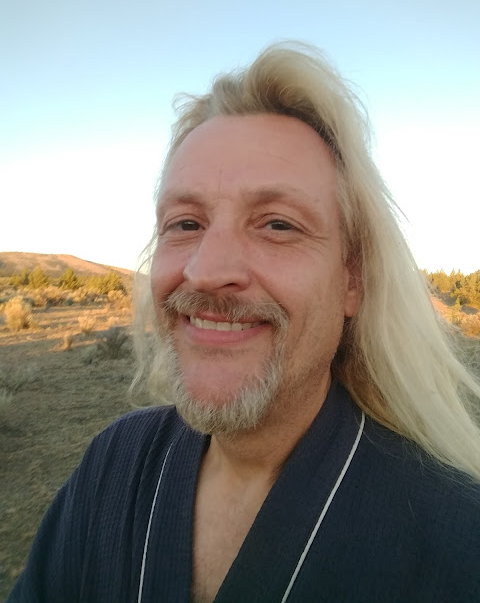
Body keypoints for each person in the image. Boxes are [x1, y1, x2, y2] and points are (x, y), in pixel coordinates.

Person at [8, 42, 480, 603]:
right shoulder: (113, 468)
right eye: (186, 223)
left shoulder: (454, 543)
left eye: (278, 224)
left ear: (351, 280)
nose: (206, 272)